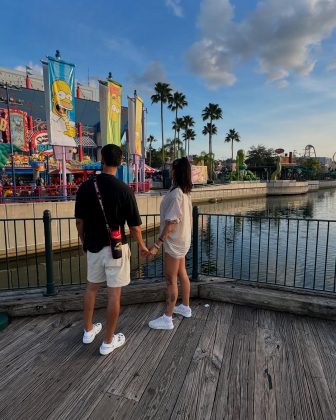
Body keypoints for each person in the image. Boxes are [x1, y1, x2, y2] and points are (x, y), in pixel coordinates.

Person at [75, 144, 149, 355]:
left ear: (102, 160)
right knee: (114, 294)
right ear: (120, 162)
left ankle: (88, 330)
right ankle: (108, 341)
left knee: (91, 288)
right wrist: (143, 246)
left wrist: (84, 242)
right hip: (116, 247)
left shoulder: (85, 187)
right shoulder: (124, 190)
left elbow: (79, 222)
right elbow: (135, 227)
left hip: (93, 246)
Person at [148, 157, 193, 330]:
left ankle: (167, 318)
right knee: (182, 273)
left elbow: (172, 222)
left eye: (172, 168)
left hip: (174, 242)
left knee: (170, 280)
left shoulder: (176, 194)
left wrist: (157, 244)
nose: (170, 171)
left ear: (176, 171)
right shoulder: (184, 191)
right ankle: (185, 307)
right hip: (182, 240)